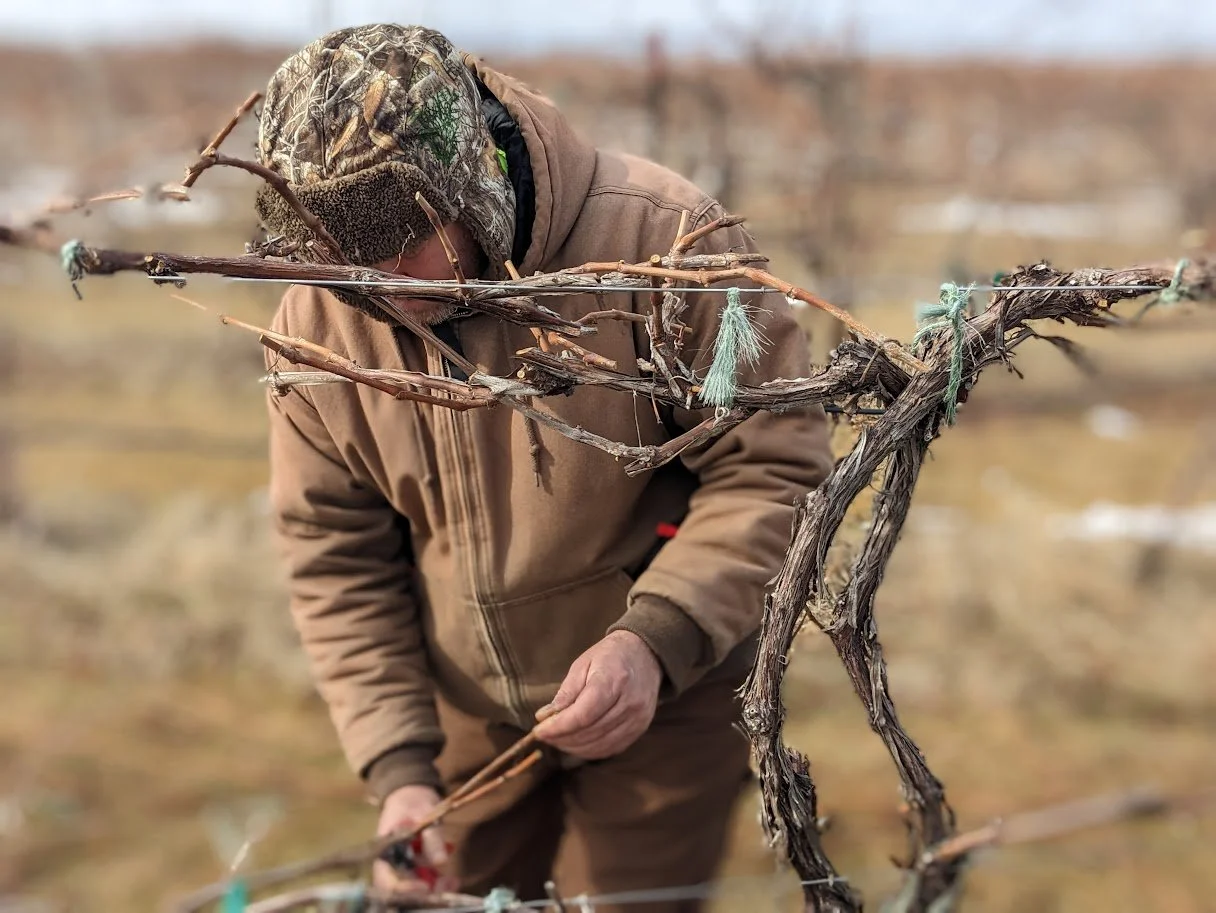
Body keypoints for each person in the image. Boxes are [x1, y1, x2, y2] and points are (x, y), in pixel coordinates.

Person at [255, 23, 833, 912]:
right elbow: (335, 553)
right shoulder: (316, 330)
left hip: (668, 700)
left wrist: (657, 639)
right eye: (342, 253)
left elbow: (773, 463)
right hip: (462, 723)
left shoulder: (664, 243)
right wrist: (401, 768)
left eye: (405, 240)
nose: (379, 279)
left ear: (475, 177)